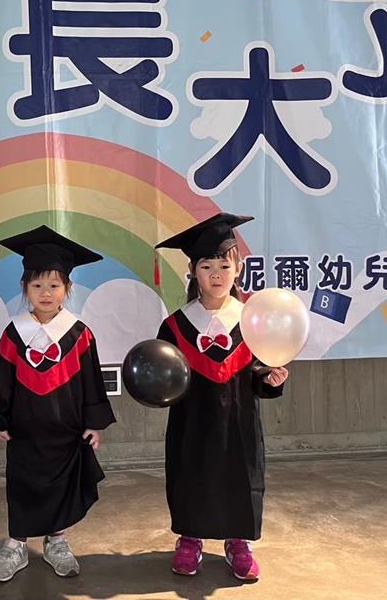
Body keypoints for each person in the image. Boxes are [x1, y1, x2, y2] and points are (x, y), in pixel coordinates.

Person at [155, 213, 288, 581]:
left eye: (224, 266)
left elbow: (259, 373)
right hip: (192, 421)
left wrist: (271, 379)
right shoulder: (176, 326)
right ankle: (190, 538)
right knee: (191, 473)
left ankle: (238, 542)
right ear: (193, 272)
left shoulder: (251, 321)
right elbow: (164, 377)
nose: (216, 274)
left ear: (238, 269)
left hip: (239, 422)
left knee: (240, 475)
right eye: (207, 266)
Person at [0, 225, 116, 582]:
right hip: (25, 430)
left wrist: (93, 423)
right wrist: (2, 419)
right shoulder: (14, 333)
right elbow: (3, 379)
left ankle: (56, 541)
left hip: (67, 431)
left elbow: (91, 381)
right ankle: (16, 544)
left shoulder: (79, 333)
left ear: (67, 289)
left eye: (54, 285)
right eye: (38, 285)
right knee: (22, 484)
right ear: (25, 287)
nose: (46, 293)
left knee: (61, 486)